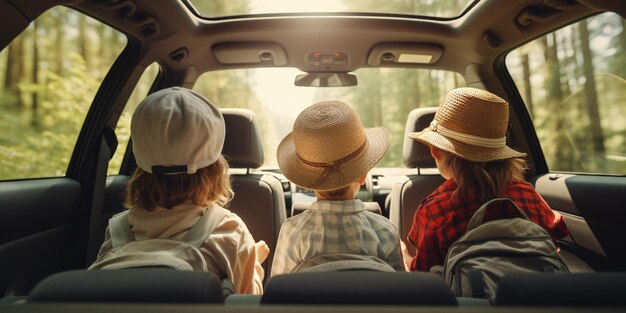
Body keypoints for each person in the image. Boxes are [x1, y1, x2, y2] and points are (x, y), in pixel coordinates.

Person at [92, 87, 267, 294]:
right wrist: (254, 263)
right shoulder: (228, 230)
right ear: (216, 170)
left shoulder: (115, 231)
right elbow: (248, 301)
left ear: (140, 165)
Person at [406, 87, 569, 272]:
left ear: (435, 150)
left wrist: (402, 252)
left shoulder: (435, 210)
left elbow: (423, 274)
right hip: (536, 297)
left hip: (473, 299)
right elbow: (555, 235)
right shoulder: (528, 194)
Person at [271, 100, 405, 276]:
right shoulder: (385, 231)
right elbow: (397, 292)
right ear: (363, 175)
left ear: (307, 182)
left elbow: (280, 291)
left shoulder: (293, 232)